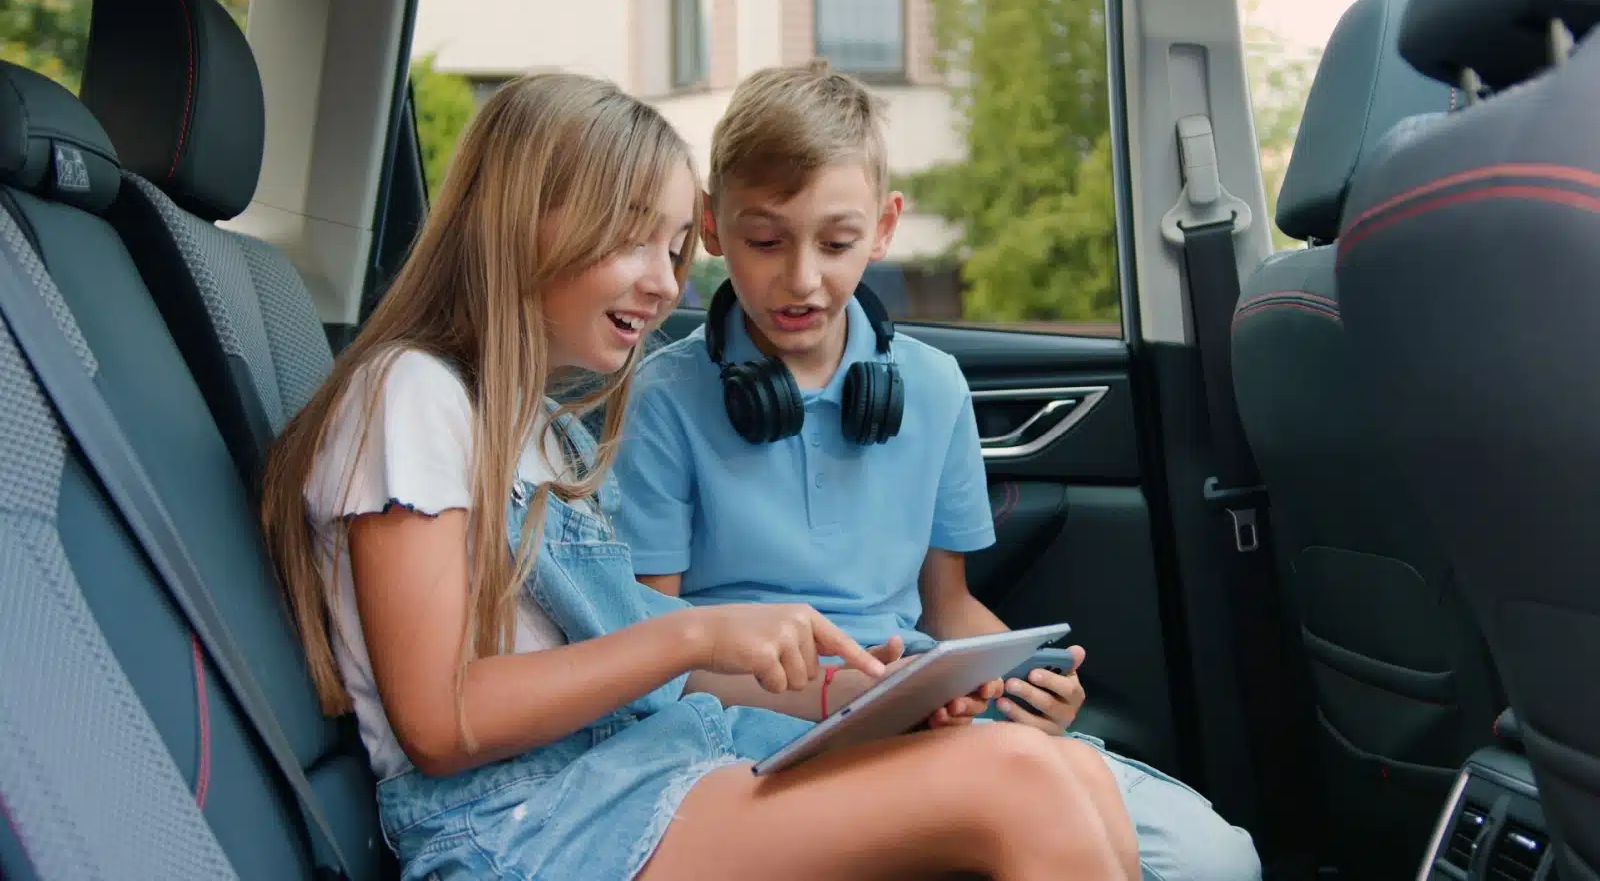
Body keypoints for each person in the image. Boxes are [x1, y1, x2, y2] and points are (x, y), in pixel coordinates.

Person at [259, 71, 1140, 881]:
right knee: (1018, 783)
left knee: (1069, 774)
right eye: (632, 241)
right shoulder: (410, 394)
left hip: (632, 767)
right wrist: (693, 633)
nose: (664, 283)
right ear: (525, 222)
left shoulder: (540, 429)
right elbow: (443, 723)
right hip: (522, 825)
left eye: (677, 246)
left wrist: (873, 695)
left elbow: (655, 673)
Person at [611, 61, 1263, 881]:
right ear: (711, 227)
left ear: (884, 229)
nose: (802, 279)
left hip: (911, 705)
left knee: (1218, 859)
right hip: (742, 726)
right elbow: (649, 655)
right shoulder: (662, 402)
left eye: (838, 242)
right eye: (765, 240)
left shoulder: (929, 386)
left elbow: (947, 607)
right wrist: (842, 695)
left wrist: (1023, 684)